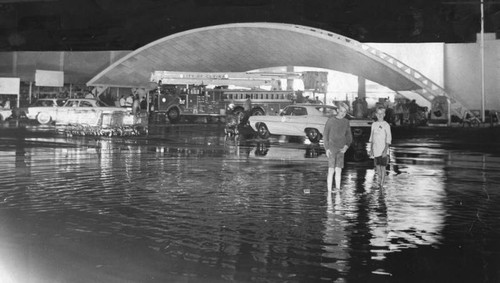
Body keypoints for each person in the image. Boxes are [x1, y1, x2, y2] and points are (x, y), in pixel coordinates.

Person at [323, 102, 353, 193]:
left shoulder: (346, 122)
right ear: (337, 111)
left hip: (341, 149)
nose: (343, 113)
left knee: (338, 170)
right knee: (331, 169)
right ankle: (329, 190)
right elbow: (325, 135)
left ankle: (337, 188)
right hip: (332, 148)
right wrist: (327, 148)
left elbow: (349, 136)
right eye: (341, 111)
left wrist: (346, 146)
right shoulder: (330, 121)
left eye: (345, 112)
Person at [369, 107, 392, 188]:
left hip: (383, 150)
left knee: (383, 167)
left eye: (382, 113)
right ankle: (379, 181)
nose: (380, 115)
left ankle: (382, 184)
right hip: (376, 150)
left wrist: (385, 150)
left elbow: (388, 139)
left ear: (384, 114)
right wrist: (371, 149)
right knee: (377, 167)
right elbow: (371, 137)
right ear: (376, 114)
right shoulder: (374, 124)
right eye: (378, 113)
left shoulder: (386, 125)